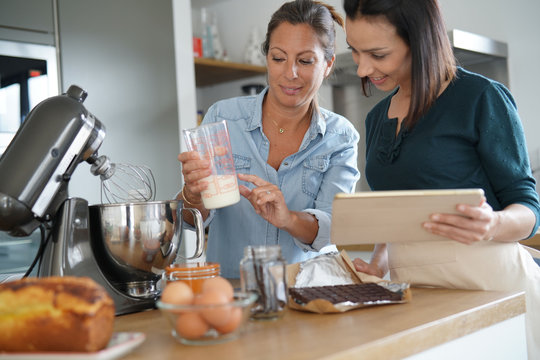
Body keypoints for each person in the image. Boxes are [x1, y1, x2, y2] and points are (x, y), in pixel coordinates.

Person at [342, 0, 540, 357]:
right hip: (421, 297)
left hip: (494, 292)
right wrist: (379, 261)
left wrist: (493, 223)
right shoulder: (375, 119)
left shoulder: (480, 97)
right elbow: (400, 212)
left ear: (419, 40)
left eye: (377, 53)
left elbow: (528, 208)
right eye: (354, 51)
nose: (362, 68)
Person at [177, 0, 360, 279]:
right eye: (278, 58)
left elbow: (335, 227)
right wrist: (192, 195)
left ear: (328, 65)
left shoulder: (340, 137)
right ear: (267, 58)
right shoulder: (224, 117)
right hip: (231, 294)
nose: (290, 73)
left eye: (305, 60)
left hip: (306, 293)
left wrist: (288, 218)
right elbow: (193, 220)